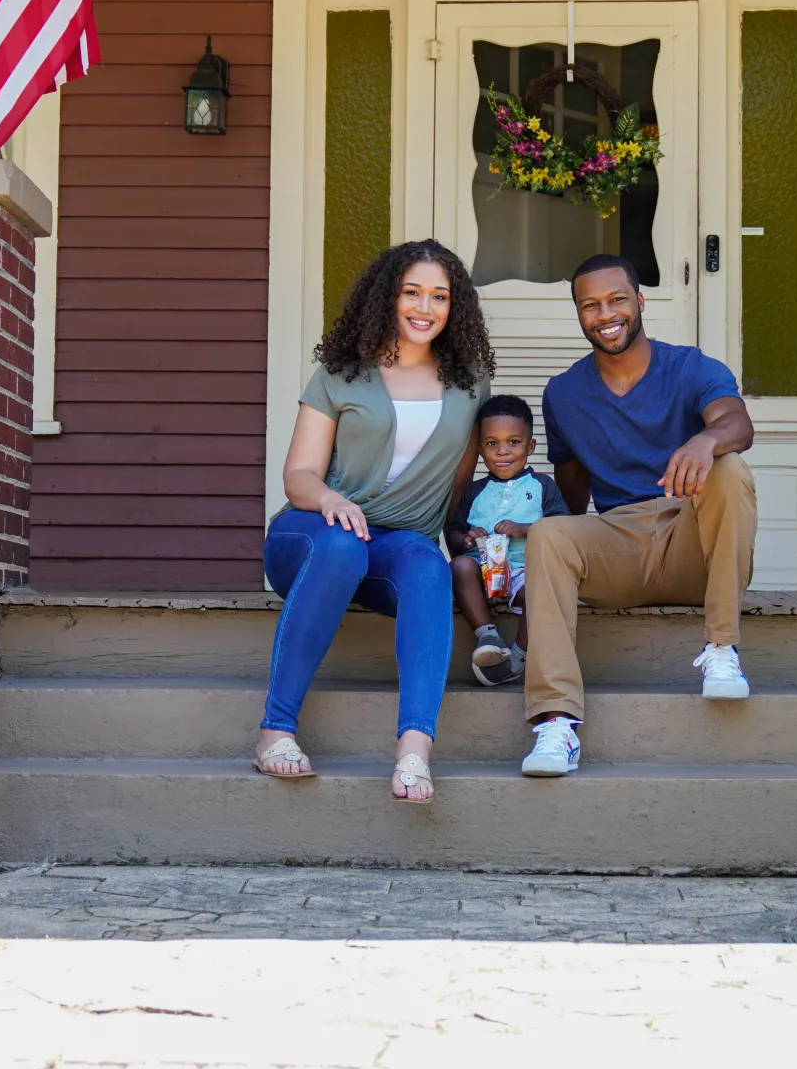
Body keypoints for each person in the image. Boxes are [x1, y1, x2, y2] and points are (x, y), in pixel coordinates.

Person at [253, 239, 492, 803]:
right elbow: (299, 475)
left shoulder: (469, 383)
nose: (425, 307)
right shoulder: (341, 374)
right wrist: (330, 502)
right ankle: (275, 730)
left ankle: (415, 751)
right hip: (311, 537)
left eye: (440, 295)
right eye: (412, 292)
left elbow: (458, 484)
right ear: (387, 297)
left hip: (393, 548)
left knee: (428, 567)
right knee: (342, 547)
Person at [519, 253, 758, 777]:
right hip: (619, 547)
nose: (605, 314)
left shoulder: (690, 366)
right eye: (590, 305)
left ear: (640, 301)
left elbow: (737, 423)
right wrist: (540, 561)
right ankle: (555, 723)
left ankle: (721, 649)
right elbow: (572, 489)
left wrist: (705, 440)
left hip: (690, 540)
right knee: (549, 534)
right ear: (578, 314)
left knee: (729, 467)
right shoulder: (563, 393)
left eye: (617, 299)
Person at [444, 394, 571, 687]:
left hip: (524, 572)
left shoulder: (542, 486)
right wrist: (466, 537)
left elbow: (564, 526)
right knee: (459, 566)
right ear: (480, 449)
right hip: (483, 572)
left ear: (530, 446)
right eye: (492, 444)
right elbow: (453, 531)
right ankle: (487, 636)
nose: (502, 452)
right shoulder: (475, 491)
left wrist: (526, 528)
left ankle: (517, 657)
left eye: (513, 442)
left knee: (541, 588)